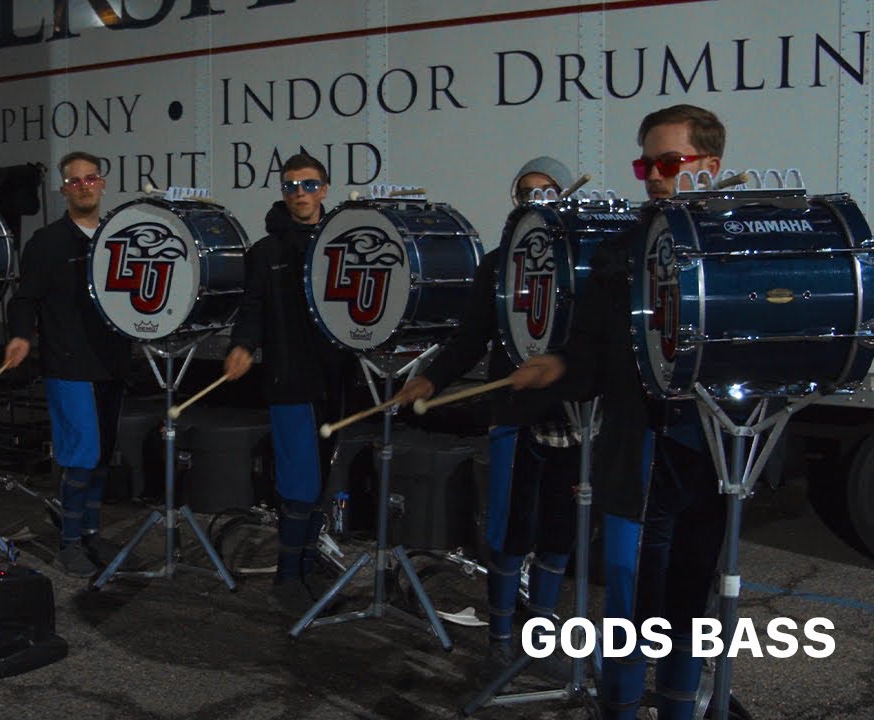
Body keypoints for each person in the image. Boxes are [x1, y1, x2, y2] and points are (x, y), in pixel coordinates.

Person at [512, 104, 726, 720]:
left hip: (711, 454)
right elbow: (588, 353)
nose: (653, 176)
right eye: (645, 163)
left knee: (691, 602)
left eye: (667, 162)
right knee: (630, 603)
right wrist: (557, 367)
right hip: (638, 454)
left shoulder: (730, 247)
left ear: (709, 168)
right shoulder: (621, 254)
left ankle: (683, 708)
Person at [394, 156, 579, 668]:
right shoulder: (498, 264)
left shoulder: (585, 258)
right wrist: (432, 377)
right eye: (526, 192)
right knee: (508, 527)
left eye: (547, 193)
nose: (536, 201)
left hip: (572, 416)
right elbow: (471, 336)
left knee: (559, 530)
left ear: (564, 197)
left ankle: (539, 635)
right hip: (514, 411)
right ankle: (500, 635)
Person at [225, 153, 350, 613]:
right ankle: (286, 576)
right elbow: (252, 307)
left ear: (325, 188)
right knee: (297, 481)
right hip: (289, 378)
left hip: (335, 378)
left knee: (320, 480)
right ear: (283, 191)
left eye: (310, 184)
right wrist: (242, 345)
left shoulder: (341, 241)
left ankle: (304, 560)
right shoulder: (266, 251)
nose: (301, 192)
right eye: (292, 185)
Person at [3, 151, 130, 578]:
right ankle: (70, 542)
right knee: (81, 455)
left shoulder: (117, 237)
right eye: (74, 181)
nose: (84, 186)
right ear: (64, 190)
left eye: (90, 178)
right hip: (69, 363)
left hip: (112, 360)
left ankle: (91, 531)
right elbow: (25, 299)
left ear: (103, 182)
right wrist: (20, 336)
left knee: (101, 457)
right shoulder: (49, 242)